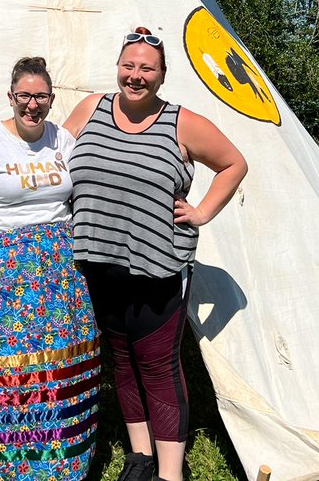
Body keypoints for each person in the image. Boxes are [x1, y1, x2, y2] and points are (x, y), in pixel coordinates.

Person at [64, 28, 248, 481]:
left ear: (162, 76)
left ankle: (170, 473)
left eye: (147, 68)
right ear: (118, 67)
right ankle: (140, 457)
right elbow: (52, 155)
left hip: (157, 262)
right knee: (121, 359)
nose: (135, 75)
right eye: (129, 65)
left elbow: (233, 163)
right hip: (97, 259)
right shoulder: (91, 108)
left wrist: (202, 211)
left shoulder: (181, 122)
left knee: (158, 365)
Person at [0, 56, 100, 481]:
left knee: (52, 367)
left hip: (55, 272)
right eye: (25, 95)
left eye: (41, 96)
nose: (33, 104)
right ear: (10, 97)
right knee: (4, 367)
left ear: (52, 98)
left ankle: (57, 460)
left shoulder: (62, 140)